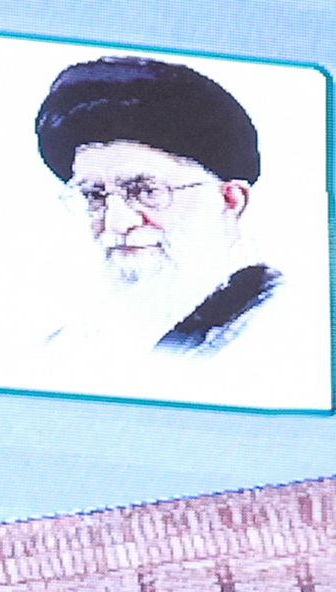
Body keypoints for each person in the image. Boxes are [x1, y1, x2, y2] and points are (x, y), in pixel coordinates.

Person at [31, 55, 292, 384]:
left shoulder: (280, 330)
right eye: (95, 195)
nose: (116, 223)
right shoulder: (66, 346)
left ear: (230, 200)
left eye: (146, 191)